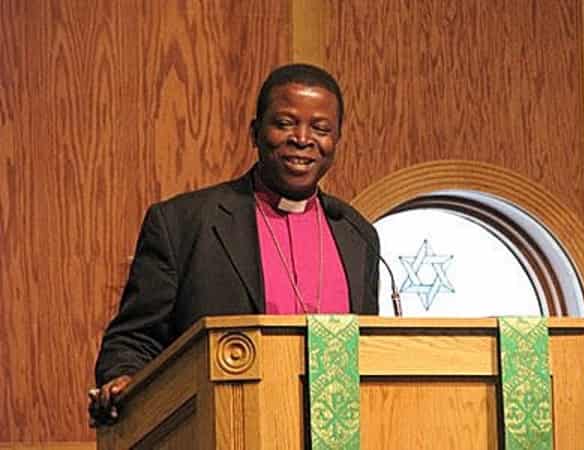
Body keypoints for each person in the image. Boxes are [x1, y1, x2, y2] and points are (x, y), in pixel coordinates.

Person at [89, 63, 380, 426]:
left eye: (321, 129)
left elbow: (372, 353)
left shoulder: (356, 235)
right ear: (255, 132)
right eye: (285, 123)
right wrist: (124, 379)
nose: (303, 139)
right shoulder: (183, 223)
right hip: (225, 427)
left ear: (336, 141)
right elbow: (134, 340)